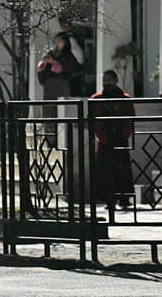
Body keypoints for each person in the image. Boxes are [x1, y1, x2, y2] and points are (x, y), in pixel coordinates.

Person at [90, 69, 135, 211]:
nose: (106, 82)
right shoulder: (96, 99)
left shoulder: (124, 98)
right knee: (104, 170)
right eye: (104, 79)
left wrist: (124, 135)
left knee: (122, 169)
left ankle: (124, 198)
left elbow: (130, 118)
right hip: (104, 140)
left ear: (115, 81)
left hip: (120, 138)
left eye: (109, 79)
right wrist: (101, 136)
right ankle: (109, 200)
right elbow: (92, 120)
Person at [37, 32, 85, 99]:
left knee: (62, 106)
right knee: (48, 106)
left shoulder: (68, 55)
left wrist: (53, 62)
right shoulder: (51, 54)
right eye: (55, 41)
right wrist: (44, 63)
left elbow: (66, 69)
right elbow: (41, 68)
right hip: (49, 84)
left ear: (65, 42)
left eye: (59, 41)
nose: (57, 43)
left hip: (62, 84)